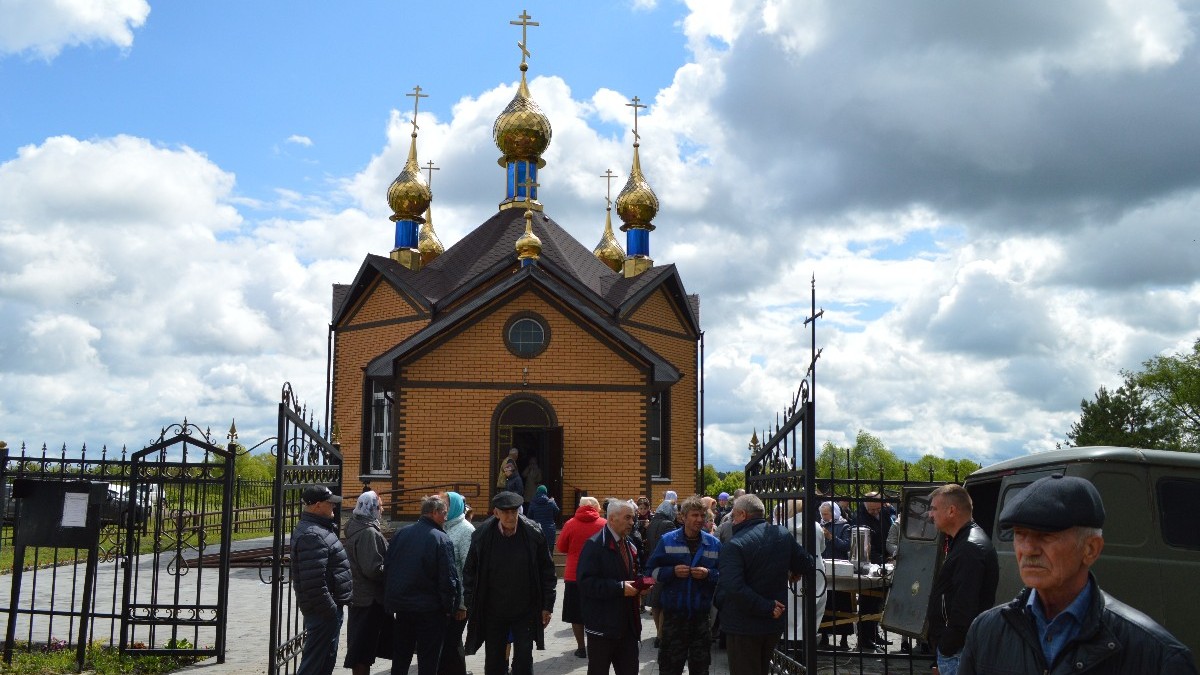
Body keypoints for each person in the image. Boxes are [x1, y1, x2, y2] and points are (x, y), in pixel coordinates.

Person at [959, 475, 1197, 674]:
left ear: (1091, 549)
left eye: (1045, 536)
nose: (1028, 549)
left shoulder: (1157, 654)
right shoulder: (986, 631)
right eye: (1020, 534)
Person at [714, 493, 815, 675]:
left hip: (744, 625)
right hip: (772, 624)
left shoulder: (734, 545)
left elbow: (733, 587)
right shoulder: (782, 534)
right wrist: (794, 570)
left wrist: (766, 606)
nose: (732, 520)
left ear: (743, 515)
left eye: (734, 515)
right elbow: (807, 562)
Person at [463, 491, 557, 675]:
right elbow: (470, 572)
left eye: (514, 512)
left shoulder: (533, 533)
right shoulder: (482, 536)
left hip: (525, 610)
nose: (510, 516)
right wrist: (469, 604)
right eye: (505, 512)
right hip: (493, 611)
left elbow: (547, 571)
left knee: (523, 659)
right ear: (496, 513)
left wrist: (547, 605)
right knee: (494, 660)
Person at [924, 484, 998, 675]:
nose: (930, 515)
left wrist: (946, 647)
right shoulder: (964, 542)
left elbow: (965, 607)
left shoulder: (970, 548)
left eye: (933, 508)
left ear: (951, 510)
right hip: (956, 649)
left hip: (957, 651)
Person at [646, 495, 721, 675]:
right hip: (673, 617)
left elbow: (724, 575)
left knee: (700, 669)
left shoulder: (713, 544)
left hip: (701, 618)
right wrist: (671, 572)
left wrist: (708, 574)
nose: (699, 520)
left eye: (702, 515)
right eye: (695, 515)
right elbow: (650, 572)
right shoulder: (667, 540)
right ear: (683, 517)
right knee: (670, 668)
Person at [385, 494, 459, 675]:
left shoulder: (401, 533)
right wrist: (450, 607)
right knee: (428, 660)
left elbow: (388, 568)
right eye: (444, 513)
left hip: (403, 609)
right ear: (434, 513)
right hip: (430, 612)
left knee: (401, 657)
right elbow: (448, 578)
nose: (446, 518)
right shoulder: (441, 539)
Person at [577, 498, 648, 675]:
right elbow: (585, 583)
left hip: (628, 627)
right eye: (628, 518)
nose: (632, 522)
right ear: (611, 519)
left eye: (633, 518)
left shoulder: (629, 543)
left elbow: (631, 574)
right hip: (602, 628)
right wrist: (619, 588)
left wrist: (640, 585)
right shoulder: (594, 545)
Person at [290, 485, 353, 675]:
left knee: (325, 660)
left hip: (326, 610)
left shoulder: (320, 529)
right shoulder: (312, 534)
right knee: (314, 664)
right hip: (323, 612)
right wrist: (330, 610)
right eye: (330, 503)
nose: (334, 507)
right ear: (317, 506)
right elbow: (313, 583)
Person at [343, 490, 390, 675]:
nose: (383, 510)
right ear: (372, 508)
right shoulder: (368, 532)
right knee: (362, 651)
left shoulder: (359, 526)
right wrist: (391, 568)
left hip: (362, 597)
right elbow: (372, 568)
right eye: (380, 506)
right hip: (369, 599)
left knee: (362, 648)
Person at [557, 496, 608, 658]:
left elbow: (561, 547)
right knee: (599, 611)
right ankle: (597, 646)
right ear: (596, 508)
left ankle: (581, 647)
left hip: (574, 575)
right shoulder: (604, 525)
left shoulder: (570, 524)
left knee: (575, 613)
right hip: (599, 574)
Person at [438, 491, 475, 675]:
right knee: (445, 645)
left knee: (452, 644)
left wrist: (462, 604)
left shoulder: (466, 530)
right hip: (443, 599)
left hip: (458, 602)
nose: (442, 508)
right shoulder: (443, 527)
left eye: (445, 504)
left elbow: (468, 570)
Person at [854, 493, 893, 651]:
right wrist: (882, 559)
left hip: (886, 561)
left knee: (878, 603)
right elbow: (866, 546)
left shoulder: (883, 512)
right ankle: (865, 638)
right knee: (867, 602)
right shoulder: (860, 517)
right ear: (866, 506)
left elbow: (889, 534)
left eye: (878, 508)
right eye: (872, 510)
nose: (875, 512)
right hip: (870, 564)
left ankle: (874, 634)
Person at [645, 492, 679, 648]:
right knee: (663, 603)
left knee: (654, 603)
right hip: (664, 567)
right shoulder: (668, 524)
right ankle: (661, 635)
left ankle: (658, 633)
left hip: (651, 565)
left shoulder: (652, 522)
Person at [816, 501, 851, 650]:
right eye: (822, 514)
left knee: (842, 604)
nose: (824, 517)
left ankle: (844, 638)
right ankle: (824, 635)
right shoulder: (819, 526)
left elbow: (846, 545)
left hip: (840, 570)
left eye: (827, 514)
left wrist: (830, 537)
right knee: (826, 603)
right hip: (824, 569)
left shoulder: (844, 526)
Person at [526, 485, 560, 554]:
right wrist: (553, 501)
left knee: (538, 551)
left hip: (537, 529)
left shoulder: (533, 503)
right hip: (550, 529)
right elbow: (557, 511)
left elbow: (529, 516)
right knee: (549, 551)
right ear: (545, 492)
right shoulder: (551, 502)